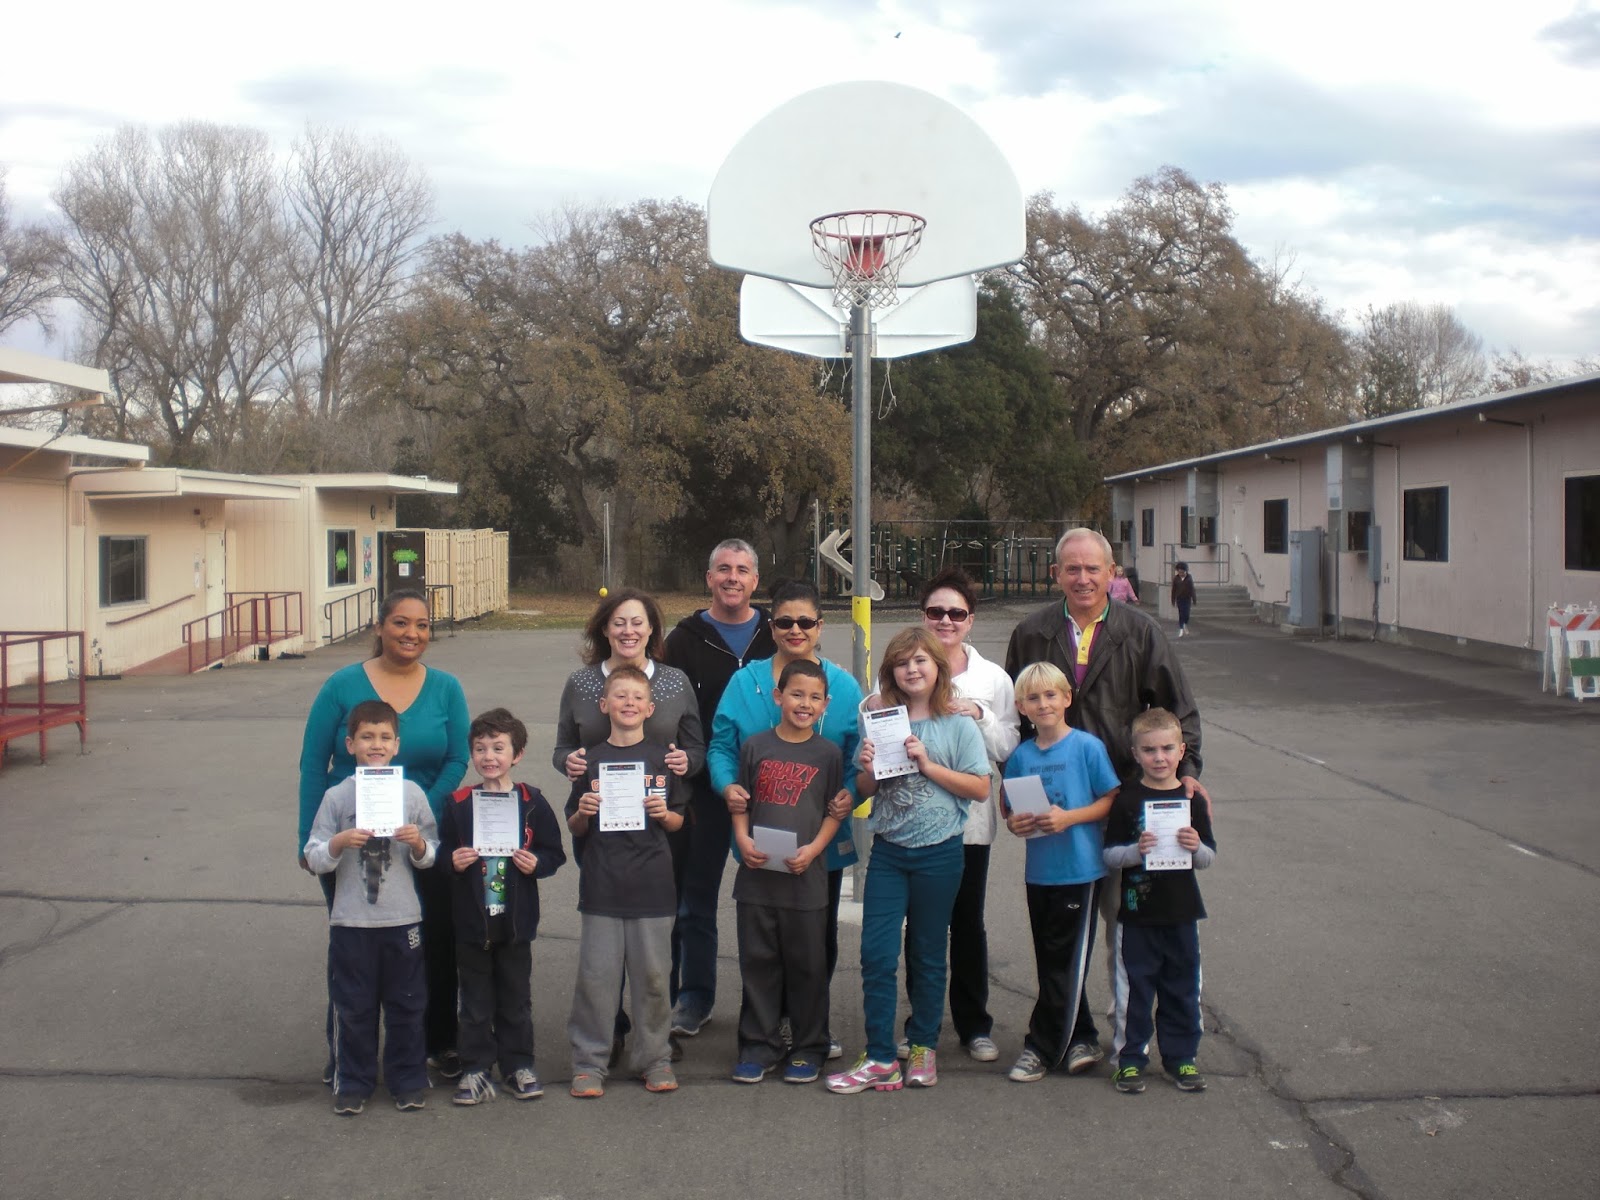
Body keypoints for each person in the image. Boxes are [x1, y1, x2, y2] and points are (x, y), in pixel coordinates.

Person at [1004, 528, 1206, 1023]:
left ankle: (1126, 1024)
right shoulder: (1032, 633)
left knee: (1124, 922)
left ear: (1111, 573)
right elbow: (1011, 726)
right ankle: (1071, 1029)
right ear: (1056, 575)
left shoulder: (1139, 632)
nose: (1083, 578)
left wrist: (1189, 773)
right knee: (1061, 931)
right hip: (1056, 811)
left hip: (1123, 804)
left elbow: (1177, 711)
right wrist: (1014, 798)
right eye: (1071, 568)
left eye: (1093, 568)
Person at [298, 587, 470, 1081]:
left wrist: (418, 815)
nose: (411, 633)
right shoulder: (341, 685)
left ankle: (438, 1042)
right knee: (354, 949)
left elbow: (458, 757)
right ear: (379, 627)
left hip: (418, 835)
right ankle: (348, 1058)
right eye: (399, 622)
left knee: (431, 939)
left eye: (421, 624)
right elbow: (314, 765)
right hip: (349, 841)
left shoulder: (446, 688)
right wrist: (308, 842)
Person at [826, 628, 991, 1094]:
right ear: (890, 672)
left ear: (937, 667)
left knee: (927, 952)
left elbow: (980, 788)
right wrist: (864, 768)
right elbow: (867, 791)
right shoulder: (881, 721)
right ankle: (880, 1056)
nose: (912, 669)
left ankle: (922, 1047)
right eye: (902, 663)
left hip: (940, 853)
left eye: (921, 660)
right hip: (890, 854)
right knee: (876, 953)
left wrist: (928, 764)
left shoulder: (957, 725)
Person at [707, 579, 861, 1059]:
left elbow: (858, 756)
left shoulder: (841, 685)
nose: (796, 630)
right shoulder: (745, 682)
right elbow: (721, 745)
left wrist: (849, 795)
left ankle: (807, 1025)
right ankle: (766, 1029)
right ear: (770, 626)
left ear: (821, 626)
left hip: (820, 838)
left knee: (817, 937)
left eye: (806, 622)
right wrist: (726, 785)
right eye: (784, 621)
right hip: (760, 832)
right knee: (764, 938)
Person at [553, 587, 703, 1062]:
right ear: (603, 628)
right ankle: (609, 1028)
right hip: (600, 824)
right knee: (606, 929)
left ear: (653, 630)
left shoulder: (675, 682)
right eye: (618, 622)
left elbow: (696, 749)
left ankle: (656, 1032)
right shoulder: (582, 683)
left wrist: (685, 762)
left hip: (659, 824)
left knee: (660, 927)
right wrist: (571, 765)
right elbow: (561, 749)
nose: (628, 631)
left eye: (638, 622)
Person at [303, 700, 439, 1116]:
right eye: (366, 737)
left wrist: (417, 844)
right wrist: (339, 842)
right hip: (352, 920)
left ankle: (408, 1078)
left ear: (397, 745)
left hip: (402, 919)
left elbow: (431, 853)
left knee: (408, 1002)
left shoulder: (411, 793)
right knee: (354, 1005)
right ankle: (354, 1081)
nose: (375, 745)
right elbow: (314, 856)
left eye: (384, 738)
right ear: (350, 744)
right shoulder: (337, 796)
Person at [907, 565, 1020, 1063]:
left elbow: (1010, 746)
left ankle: (974, 1024)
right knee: (922, 925)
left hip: (969, 825)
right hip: (915, 822)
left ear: (970, 620)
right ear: (924, 616)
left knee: (967, 923)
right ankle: (920, 1023)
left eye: (956, 613)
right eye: (936, 612)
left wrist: (983, 715)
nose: (945, 621)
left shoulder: (993, 678)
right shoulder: (904, 666)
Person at [664, 539, 776, 1037]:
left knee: (773, 901)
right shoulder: (684, 640)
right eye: (723, 569)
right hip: (704, 789)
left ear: (756, 581)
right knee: (694, 900)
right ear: (709, 578)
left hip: (773, 789)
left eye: (743, 570)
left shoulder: (778, 633)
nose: (733, 577)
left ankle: (774, 1005)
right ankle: (694, 997)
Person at [565, 667, 687, 1098]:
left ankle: (653, 1058)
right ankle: (589, 1063)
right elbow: (576, 827)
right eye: (620, 696)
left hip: (653, 887)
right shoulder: (588, 760)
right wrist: (582, 811)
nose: (629, 703)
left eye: (638, 697)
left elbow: (677, 821)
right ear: (605, 705)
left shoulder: (663, 759)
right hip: (602, 887)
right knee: (596, 979)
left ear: (650, 708)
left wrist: (663, 814)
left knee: (654, 979)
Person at [437, 708, 566, 1106]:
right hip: (472, 922)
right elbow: (439, 853)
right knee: (474, 1001)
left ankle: (518, 1065)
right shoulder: (458, 804)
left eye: (498, 747)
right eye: (480, 748)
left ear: (518, 754)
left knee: (515, 998)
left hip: (515, 922)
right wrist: (452, 862)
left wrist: (537, 863)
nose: (489, 756)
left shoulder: (531, 802)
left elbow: (554, 853)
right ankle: (476, 1068)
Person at [1000, 662, 1121, 1084]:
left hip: (1081, 871)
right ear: (1021, 707)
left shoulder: (1086, 747)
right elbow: (1013, 812)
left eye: (1051, 695)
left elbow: (1112, 799)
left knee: (1067, 962)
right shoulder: (1021, 756)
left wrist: (1070, 818)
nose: (1043, 704)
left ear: (1067, 698)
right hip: (1040, 873)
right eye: (1033, 698)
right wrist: (1016, 824)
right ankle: (1083, 1038)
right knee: (1053, 961)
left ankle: (1040, 1047)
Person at [728, 659, 844, 1085]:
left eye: (815, 697)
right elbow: (739, 804)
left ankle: (809, 1045)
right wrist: (742, 841)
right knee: (758, 963)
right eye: (796, 694)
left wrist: (813, 850)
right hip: (757, 880)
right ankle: (759, 1044)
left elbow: (834, 812)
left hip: (805, 882)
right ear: (778, 697)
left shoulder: (829, 753)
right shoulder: (755, 747)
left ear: (826, 704)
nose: (805, 703)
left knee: (807, 966)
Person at [1103, 708, 1217, 1094]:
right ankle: (1130, 1059)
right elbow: (1110, 856)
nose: (1159, 757)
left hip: (1182, 914)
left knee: (1183, 988)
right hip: (1136, 916)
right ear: (1135, 753)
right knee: (1134, 991)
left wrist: (1196, 845)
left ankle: (1181, 1059)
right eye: (1149, 750)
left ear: (1181, 750)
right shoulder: (1126, 800)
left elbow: (1208, 858)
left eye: (1168, 748)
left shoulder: (1191, 799)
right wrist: (1135, 851)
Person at [1171, 562, 1197, 637]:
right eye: (1179, 572)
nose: (1181, 574)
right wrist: (1173, 600)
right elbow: (1174, 590)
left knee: (1187, 614)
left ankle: (1185, 624)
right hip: (1179, 598)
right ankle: (1181, 628)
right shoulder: (1176, 579)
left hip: (1187, 598)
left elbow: (1192, 589)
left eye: (1183, 572)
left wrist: (1194, 599)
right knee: (1181, 613)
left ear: (1186, 571)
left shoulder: (1189, 578)